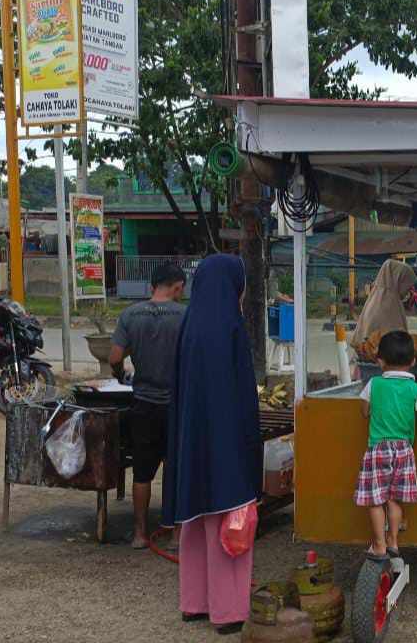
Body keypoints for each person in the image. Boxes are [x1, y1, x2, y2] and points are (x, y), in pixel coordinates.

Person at [164, 255, 261, 635]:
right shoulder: (231, 327)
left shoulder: (190, 325)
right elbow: (241, 395)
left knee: (196, 518)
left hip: (193, 438)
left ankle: (194, 604)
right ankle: (228, 612)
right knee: (230, 521)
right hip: (227, 440)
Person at [109, 262, 187, 550]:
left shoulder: (130, 314)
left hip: (143, 403)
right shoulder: (185, 315)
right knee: (176, 469)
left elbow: (115, 357)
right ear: (177, 286)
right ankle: (177, 535)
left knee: (142, 472)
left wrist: (121, 376)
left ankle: (140, 534)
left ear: (153, 285)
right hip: (176, 406)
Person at [355, 330, 417, 560]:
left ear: (380, 360)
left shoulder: (373, 384)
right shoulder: (416, 390)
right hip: (404, 451)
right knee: (394, 499)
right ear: (414, 361)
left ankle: (378, 546)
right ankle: (393, 541)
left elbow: (364, 411)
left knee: (376, 500)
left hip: (378, 449)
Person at [352, 259, 417, 351]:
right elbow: (397, 342)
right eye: (407, 284)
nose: (409, 289)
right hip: (384, 360)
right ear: (398, 280)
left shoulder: (377, 297)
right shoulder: (389, 303)